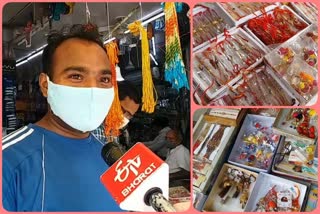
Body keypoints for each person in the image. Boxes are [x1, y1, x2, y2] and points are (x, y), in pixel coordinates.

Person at [2, 25, 122, 211]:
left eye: (104, 79)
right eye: (76, 76)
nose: (93, 89)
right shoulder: (9, 161)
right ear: (45, 85)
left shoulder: (112, 158)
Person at [92, 80, 140, 144]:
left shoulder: (113, 133)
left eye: (129, 115)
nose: (125, 117)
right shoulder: (91, 126)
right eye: (123, 110)